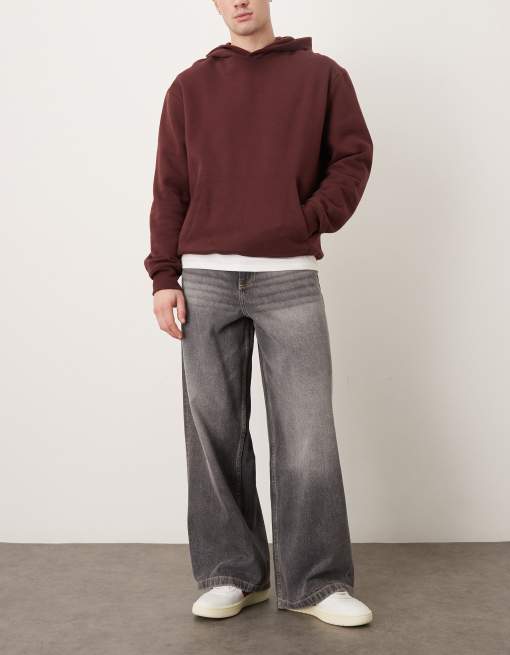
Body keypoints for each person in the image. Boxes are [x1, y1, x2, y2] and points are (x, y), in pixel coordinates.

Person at [144, 0, 374, 628]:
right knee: (213, 432)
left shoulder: (321, 76)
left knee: (307, 433)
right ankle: (232, 574)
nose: (240, 1)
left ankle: (317, 582)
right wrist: (164, 276)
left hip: (288, 278)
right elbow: (170, 185)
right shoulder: (190, 87)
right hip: (205, 279)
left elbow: (352, 158)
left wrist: (306, 219)